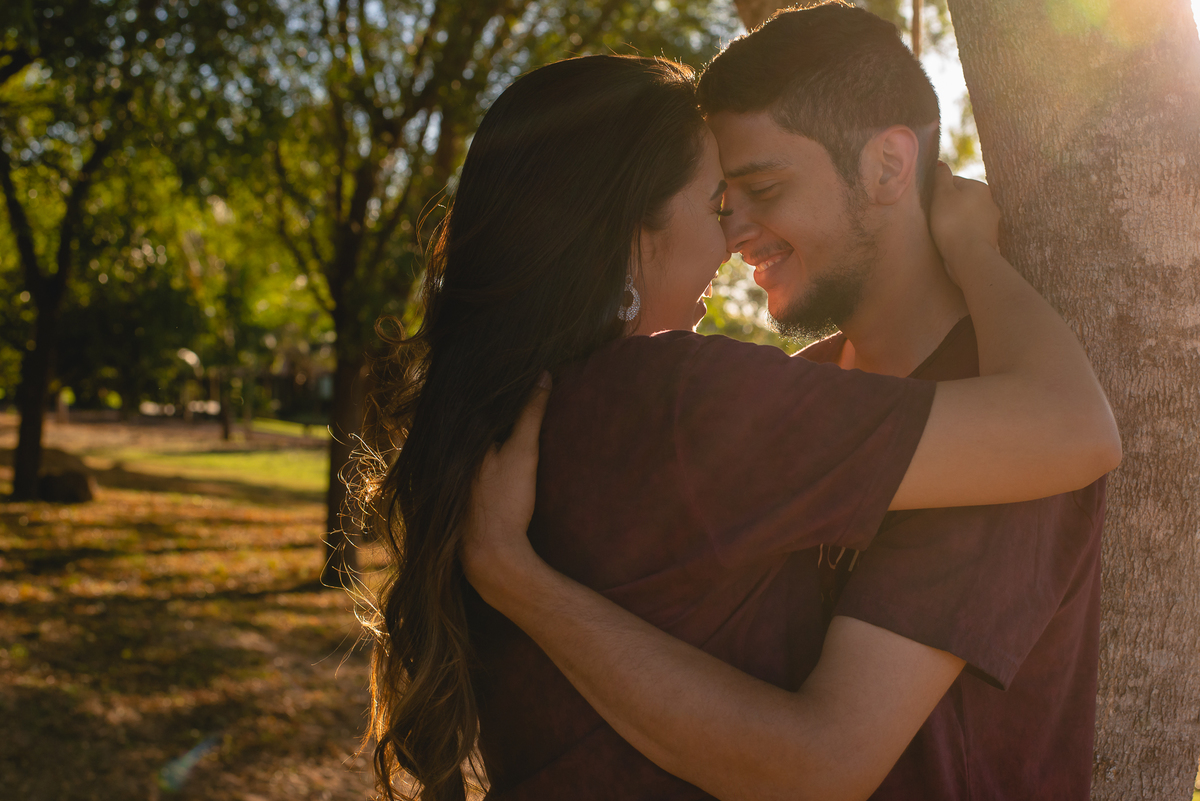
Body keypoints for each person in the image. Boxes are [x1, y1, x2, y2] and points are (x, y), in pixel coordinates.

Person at [361, 50, 1119, 801]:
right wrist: (970, 247)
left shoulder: (517, 416)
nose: (733, 237)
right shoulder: (670, 401)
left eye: (756, 191)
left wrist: (517, 579)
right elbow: (1074, 428)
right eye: (718, 201)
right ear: (631, 225)